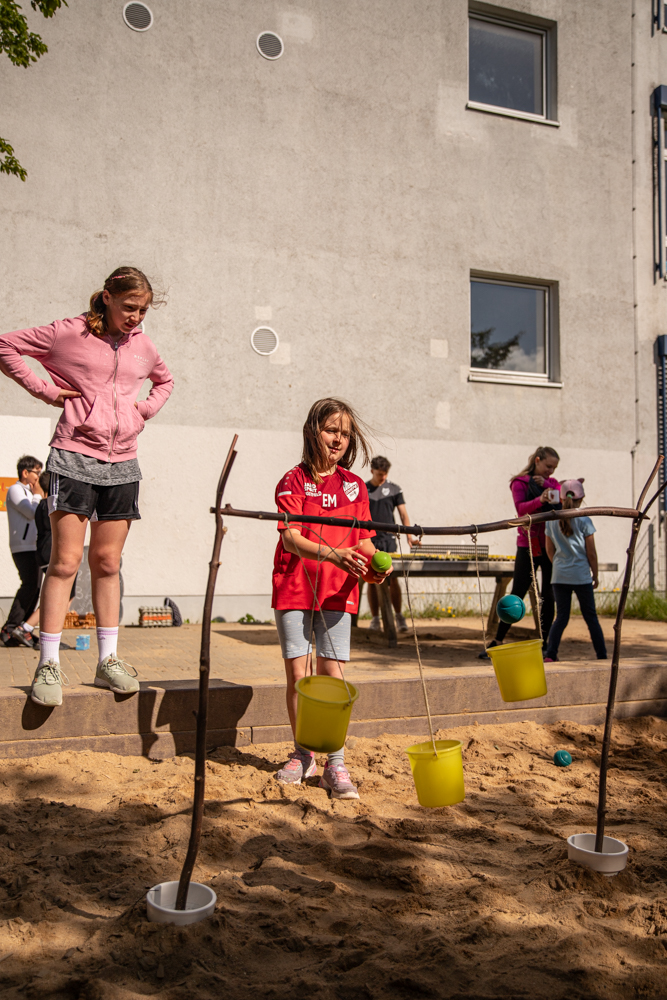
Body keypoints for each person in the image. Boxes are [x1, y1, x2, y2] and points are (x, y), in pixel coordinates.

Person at [0, 267, 174, 706]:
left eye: (143, 310)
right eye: (129, 307)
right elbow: (5, 345)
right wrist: (44, 390)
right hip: (74, 457)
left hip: (124, 463)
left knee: (108, 562)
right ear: (108, 297)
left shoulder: (143, 346)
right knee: (65, 563)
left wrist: (141, 412)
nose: (136, 317)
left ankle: (107, 661)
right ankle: (48, 663)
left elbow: (165, 381)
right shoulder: (70, 333)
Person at [272, 398, 391, 800]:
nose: (338, 439)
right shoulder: (292, 480)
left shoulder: (355, 485)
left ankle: (335, 763)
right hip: (294, 587)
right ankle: (303, 754)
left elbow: (364, 540)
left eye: (345, 433)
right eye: (331, 430)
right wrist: (334, 554)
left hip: (339, 591)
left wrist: (375, 564)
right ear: (314, 431)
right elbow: (291, 538)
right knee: (299, 676)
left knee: (333, 678)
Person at [481, 445, 561, 659]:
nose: (551, 471)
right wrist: (540, 499)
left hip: (550, 544)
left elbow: (561, 502)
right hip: (528, 544)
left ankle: (546, 645)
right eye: (548, 466)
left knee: (548, 596)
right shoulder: (520, 483)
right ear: (537, 460)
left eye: (554, 468)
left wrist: (548, 487)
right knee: (518, 592)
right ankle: (498, 639)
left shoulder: (552, 483)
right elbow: (520, 510)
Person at [544, 480, 607, 662]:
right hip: (580, 575)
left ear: (561, 498)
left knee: (561, 617)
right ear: (582, 498)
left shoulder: (551, 520)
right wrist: (595, 575)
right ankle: (602, 655)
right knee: (590, 617)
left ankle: (551, 654)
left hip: (560, 575)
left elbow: (549, 550)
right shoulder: (585, 520)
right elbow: (591, 553)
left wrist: (558, 564)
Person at [365, 455, 420, 632]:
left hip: (389, 541)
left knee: (393, 578)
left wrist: (409, 536)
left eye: (385, 474)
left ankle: (399, 616)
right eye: (379, 474)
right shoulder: (363, 490)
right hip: (370, 541)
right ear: (372, 471)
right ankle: (375, 619)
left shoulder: (394, 489)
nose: (383, 477)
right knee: (371, 580)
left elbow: (403, 514)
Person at [0, 455, 43, 648]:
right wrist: (38, 495)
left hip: (33, 546)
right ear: (25, 472)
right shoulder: (16, 490)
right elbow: (31, 512)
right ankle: (9, 629)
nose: (38, 476)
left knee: (35, 587)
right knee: (29, 585)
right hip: (22, 546)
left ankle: (20, 629)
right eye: (36, 472)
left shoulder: (30, 491)